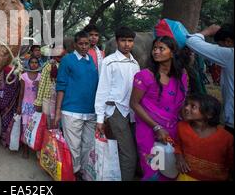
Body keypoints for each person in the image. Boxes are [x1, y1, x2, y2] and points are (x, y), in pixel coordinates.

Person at [130, 36, 188, 181]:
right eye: (154, 48)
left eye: (161, 48)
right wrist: (156, 127)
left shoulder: (182, 75)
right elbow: (134, 103)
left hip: (173, 129)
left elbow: (182, 103)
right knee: (154, 169)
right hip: (149, 130)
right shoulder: (144, 76)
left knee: (170, 169)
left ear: (172, 52)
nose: (156, 52)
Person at [95, 27, 140, 181]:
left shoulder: (135, 64)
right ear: (117, 42)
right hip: (115, 111)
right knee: (129, 154)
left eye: (130, 41)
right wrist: (100, 119)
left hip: (132, 113)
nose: (127, 44)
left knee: (121, 150)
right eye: (123, 40)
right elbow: (102, 91)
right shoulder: (109, 62)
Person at [55, 31, 99, 181]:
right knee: (73, 147)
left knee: (88, 145)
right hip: (71, 111)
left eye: (86, 43)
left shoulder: (91, 61)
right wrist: (57, 111)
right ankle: (73, 174)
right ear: (75, 44)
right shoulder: (68, 60)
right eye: (81, 43)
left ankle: (83, 172)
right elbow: (61, 86)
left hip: (91, 112)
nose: (84, 46)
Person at [185, 24, 234, 135]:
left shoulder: (230, 54)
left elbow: (191, 41)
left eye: (220, 45)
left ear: (228, 42)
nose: (220, 48)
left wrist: (208, 31)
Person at [175, 94, 233, 181]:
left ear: (209, 114)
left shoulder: (226, 138)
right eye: (187, 104)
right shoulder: (182, 127)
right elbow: (177, 145)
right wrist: (179, 156)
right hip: (185, 177)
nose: (186, 108)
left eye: (193, 106)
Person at [34, 45, 66, 128]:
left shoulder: (67, 65)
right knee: (48, 123)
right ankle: (49, 139)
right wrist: (39, 102)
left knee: (59, 124)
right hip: (47, 99)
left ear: (65, 52)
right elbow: (42, 84)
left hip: (63, 99)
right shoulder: (48, 66)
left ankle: (57, 139)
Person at [17, 57, 41, 158]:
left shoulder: (40, 76)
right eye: (32, 62)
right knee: (25, 127)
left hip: (36, 106)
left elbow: (42, 93)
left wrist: (39, 85)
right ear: (29, 64)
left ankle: (35, 149)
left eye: (36, 62)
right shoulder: (24, 76)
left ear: (38, 64)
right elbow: (21, 92)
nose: (34, 64)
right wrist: (19, 106)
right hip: (26, 105)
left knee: (35, 127)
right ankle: (25, 149)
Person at [0, 66, 20, 147]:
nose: (9, 76)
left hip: (13, 105)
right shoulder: (2, 84)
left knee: (11, 122)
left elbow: (18, 92)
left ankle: (9, 139)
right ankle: (3, 138)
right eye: (7, 74)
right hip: (3, 104)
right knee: (4, 121)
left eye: (11, 75)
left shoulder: (17, 67)